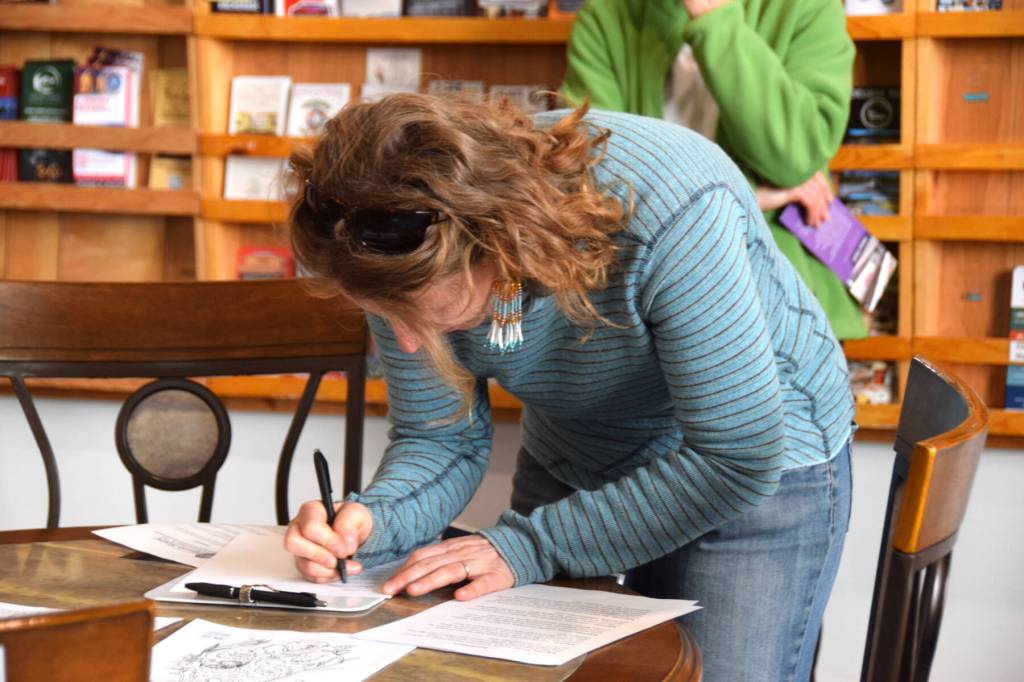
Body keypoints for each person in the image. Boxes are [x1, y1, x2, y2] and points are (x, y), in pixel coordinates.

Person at [283, 93, 853, 681]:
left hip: (756, 459)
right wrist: (372, 522)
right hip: (580, 444)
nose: (405, 343)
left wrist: (528, 547)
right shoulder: (384, 236)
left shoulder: (677, 207)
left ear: (500, 252)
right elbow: (439, 439)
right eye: (382, 314)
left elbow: (735, 456)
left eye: (419, 313)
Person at [561, 0, 868, 340]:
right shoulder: (606, 15)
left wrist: (714, 20)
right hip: (639, 299)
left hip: (773, 295)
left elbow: (795, 156)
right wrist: (753, 197)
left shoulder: (807, 7)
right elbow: (591, 183)